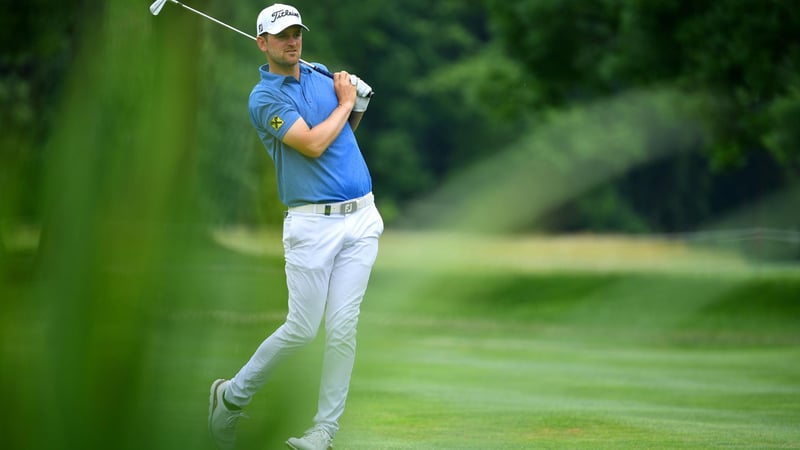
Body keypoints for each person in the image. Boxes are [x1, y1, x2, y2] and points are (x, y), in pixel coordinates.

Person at [207, 4, 383, 450]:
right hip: (311, 227)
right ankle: (229, 398)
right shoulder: (264, 99)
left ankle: (323, 431)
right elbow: (311, 143)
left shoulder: (321, 73)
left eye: (297, 33)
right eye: (282, 35)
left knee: (343, 326)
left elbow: (341, 134)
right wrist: (346, 102)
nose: (293, 41)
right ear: (262, 42)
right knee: (303, 329)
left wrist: (354, 104)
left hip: (362, 217)